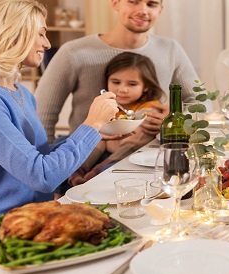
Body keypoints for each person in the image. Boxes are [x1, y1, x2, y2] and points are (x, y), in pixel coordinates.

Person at [0, 0, 118, 266]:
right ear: (11, 35)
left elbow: (34, 158)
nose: (47, 43)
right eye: (41, 34)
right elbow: (41, 175)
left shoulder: (19, 92)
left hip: (26, 222)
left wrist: (92, 137)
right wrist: (90, 125)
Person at [35, 0, 199, 143]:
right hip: (89, 157)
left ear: (160, 10)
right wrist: (52, 164)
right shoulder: (73, 52)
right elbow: (42, 115)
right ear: (115, 2)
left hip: (152, 153)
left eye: (151, 4)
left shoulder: (171, 49)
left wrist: (176, 119)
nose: (143, 10)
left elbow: (200, 103)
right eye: (133, 1)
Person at [67, 52, 164, 186]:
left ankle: (99, 171)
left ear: (146, 86)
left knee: (139, 131)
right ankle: (77, 171)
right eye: (116, 82)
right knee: (95, 133)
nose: (122, 89)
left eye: (132, 84)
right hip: (107, 148)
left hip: (127, 157)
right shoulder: (109, 105)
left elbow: (135, 139)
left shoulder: (151, 108)